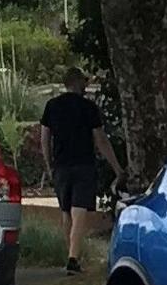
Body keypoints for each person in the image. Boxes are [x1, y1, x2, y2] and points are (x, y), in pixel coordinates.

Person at [34, 72, 118, 273]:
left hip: (61, 165)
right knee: (79, 210)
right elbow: (100, 140)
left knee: (66, 211)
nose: (86, 85)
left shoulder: (52, 106)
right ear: (77, 82)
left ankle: (71, 254)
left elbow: (45, 138)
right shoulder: (88, 107)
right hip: (83, 164)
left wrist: (48, 163)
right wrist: (117, 167)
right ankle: (73, 257)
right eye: (84, 81)